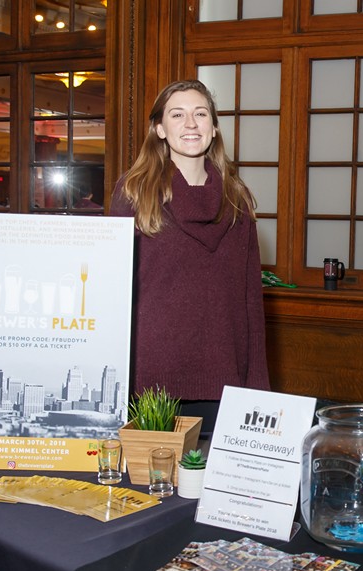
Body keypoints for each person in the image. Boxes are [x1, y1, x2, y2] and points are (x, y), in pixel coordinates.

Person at [110, 79, 270, 412]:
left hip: (226, 379)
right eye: (177, 115)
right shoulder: (134, 193)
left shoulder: (237, 199)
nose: (191, 124)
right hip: (149, 381)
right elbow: (114, 291)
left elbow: (250, 300)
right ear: (159, 129)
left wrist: (258, 389)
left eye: (200, 114)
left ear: (214, 129)